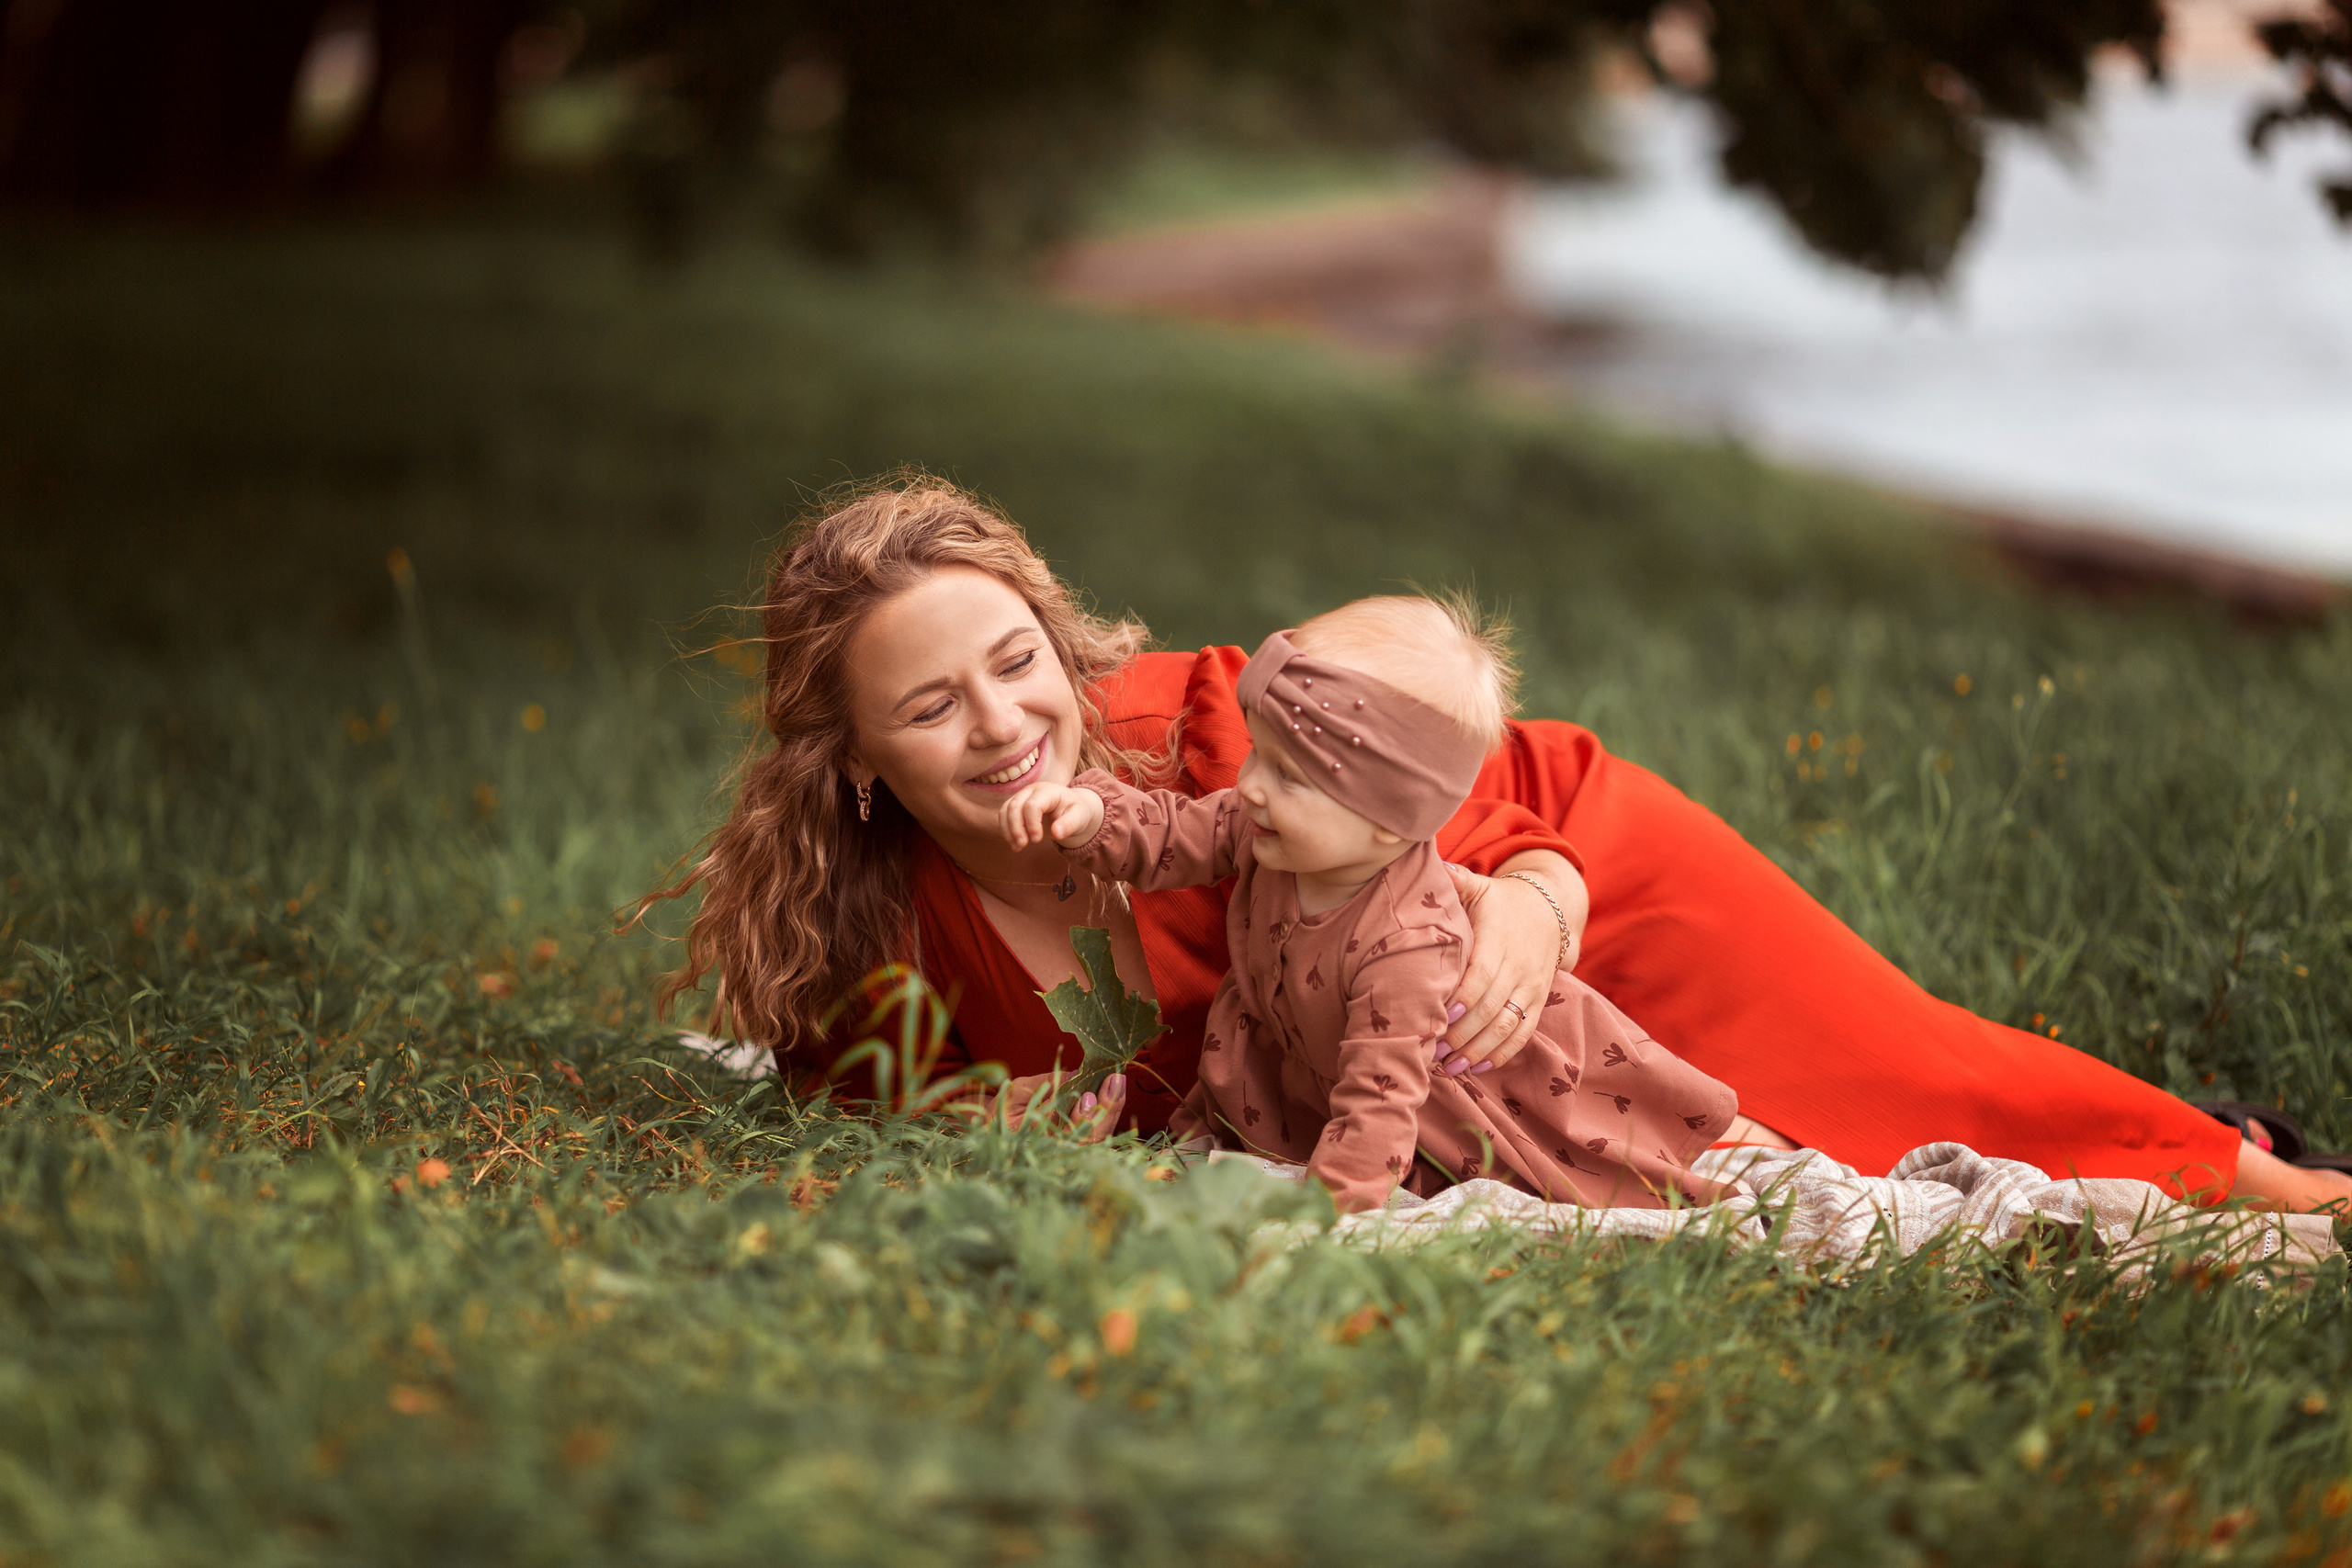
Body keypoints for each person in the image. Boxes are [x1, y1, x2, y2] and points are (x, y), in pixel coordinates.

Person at [643, 477, 2351, 1212]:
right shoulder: (894, 940)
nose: (1007, 719)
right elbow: (874, 1100)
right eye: (930, 707)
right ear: (856, 761)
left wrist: (1536, 890)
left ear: (1055, 639)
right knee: (1769, 1160)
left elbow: (1450, 796)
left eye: (1017, 660)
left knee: (1904, 1085)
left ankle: (2281, 1186)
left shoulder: (1201, 726)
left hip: (1561, 869)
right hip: (1411, 1036)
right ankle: (2215, 1141)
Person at [998, 597, 1740, 1213]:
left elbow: (1383, 1098)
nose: (1251, 783)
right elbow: (1172, 834)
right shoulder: (1266, 829)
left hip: (1455, 1094)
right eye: (1257, 752)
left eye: (1288, 775)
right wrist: (1093, 820)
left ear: (1389, 821)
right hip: (1298, 1065)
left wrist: (1335, 1207)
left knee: (1557, 1175)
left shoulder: (1406, 944)